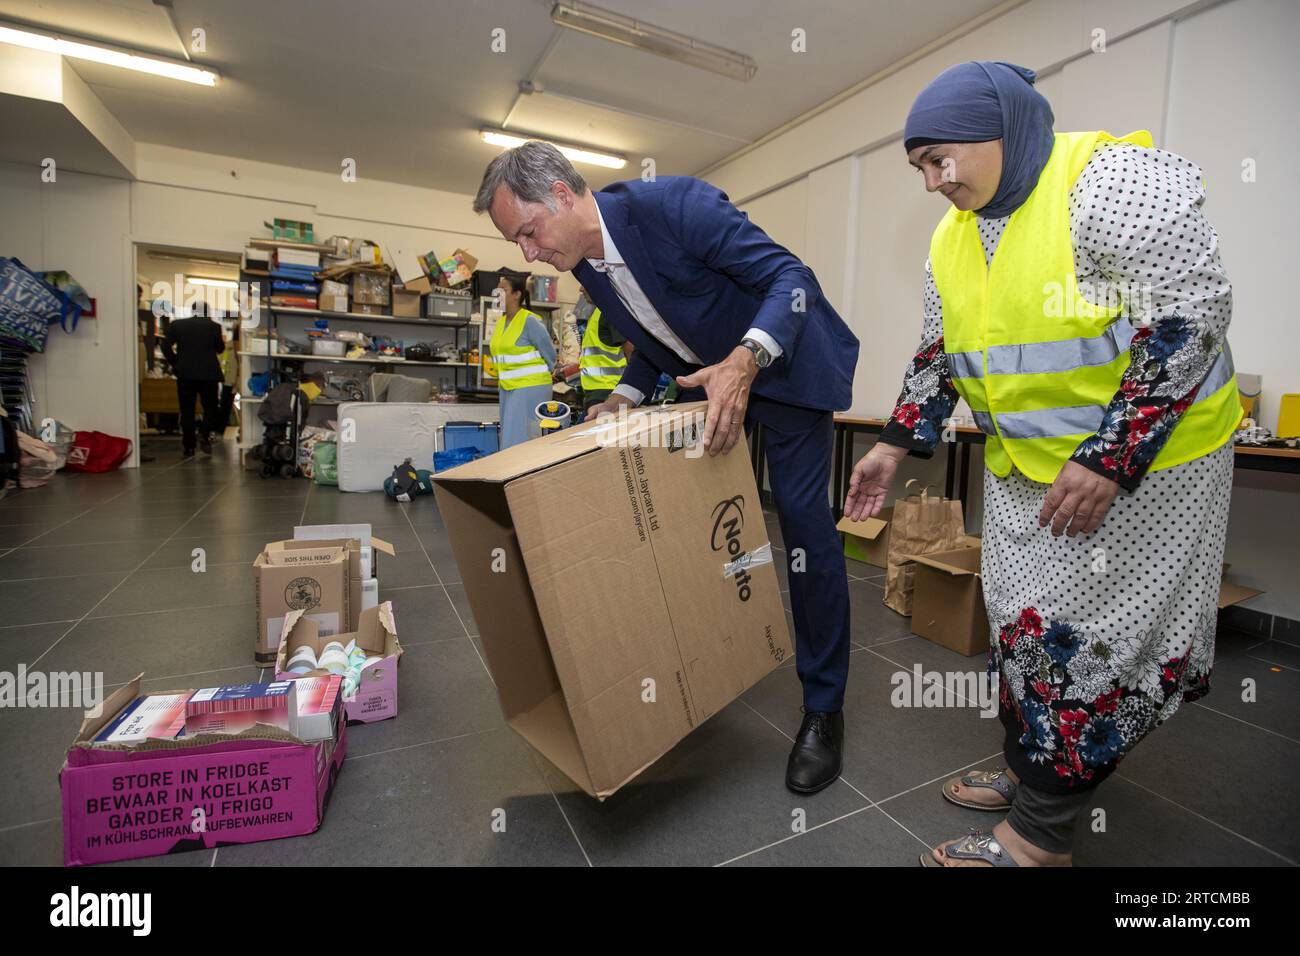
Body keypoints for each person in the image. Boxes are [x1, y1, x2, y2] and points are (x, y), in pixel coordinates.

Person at [844, 61, 1241, 867]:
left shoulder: (1110, 182)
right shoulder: (953, 237)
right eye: (918, 166)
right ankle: (1036, 777)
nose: (930, 182)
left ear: (1005, 128)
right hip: (1031, 467)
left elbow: (1192, 313)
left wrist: (1111, 457)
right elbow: (937, 352)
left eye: (937, 158)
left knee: (1085, 642)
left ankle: (1038, 841)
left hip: (1150, 470)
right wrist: (893, 444)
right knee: (1023, 629)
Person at [473, 141, 861, 793]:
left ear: (563, 197)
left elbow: (793, 282)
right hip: (706, 388)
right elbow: (656, 336)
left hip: (783, 373)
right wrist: (621, 398)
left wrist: (744, 364)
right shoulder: (590, 267)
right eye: (519, 242)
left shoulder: (677, 205)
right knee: (694, 524)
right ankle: (706, 665)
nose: (528, 254)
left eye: (529, 233)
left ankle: (824, 709)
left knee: (803, 531)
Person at [489, 271, 556, 448]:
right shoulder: (501, 323)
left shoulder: (529, 321)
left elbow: (550, 354)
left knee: (515, 442)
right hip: (508, 387)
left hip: (530, 386)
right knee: (509, 439)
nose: (498, 292)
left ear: (517, 295)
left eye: (503, 289)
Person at [161, 298, 226, 456]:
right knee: (210, 408)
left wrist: (176, 362)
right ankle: (204, 435)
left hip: (186, 374)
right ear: (207, 312)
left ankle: (188, 446)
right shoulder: (214, 327)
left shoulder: (177, 325)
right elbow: (220, 348)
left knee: (187, 410)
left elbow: (165, 346)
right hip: (209, 375)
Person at [577, 300, 629, 412]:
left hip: (609, 393)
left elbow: (630, 349)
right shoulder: (598, 312)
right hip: (597, 392)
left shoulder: (611, 311)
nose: (581, 289)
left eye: (586, 285)